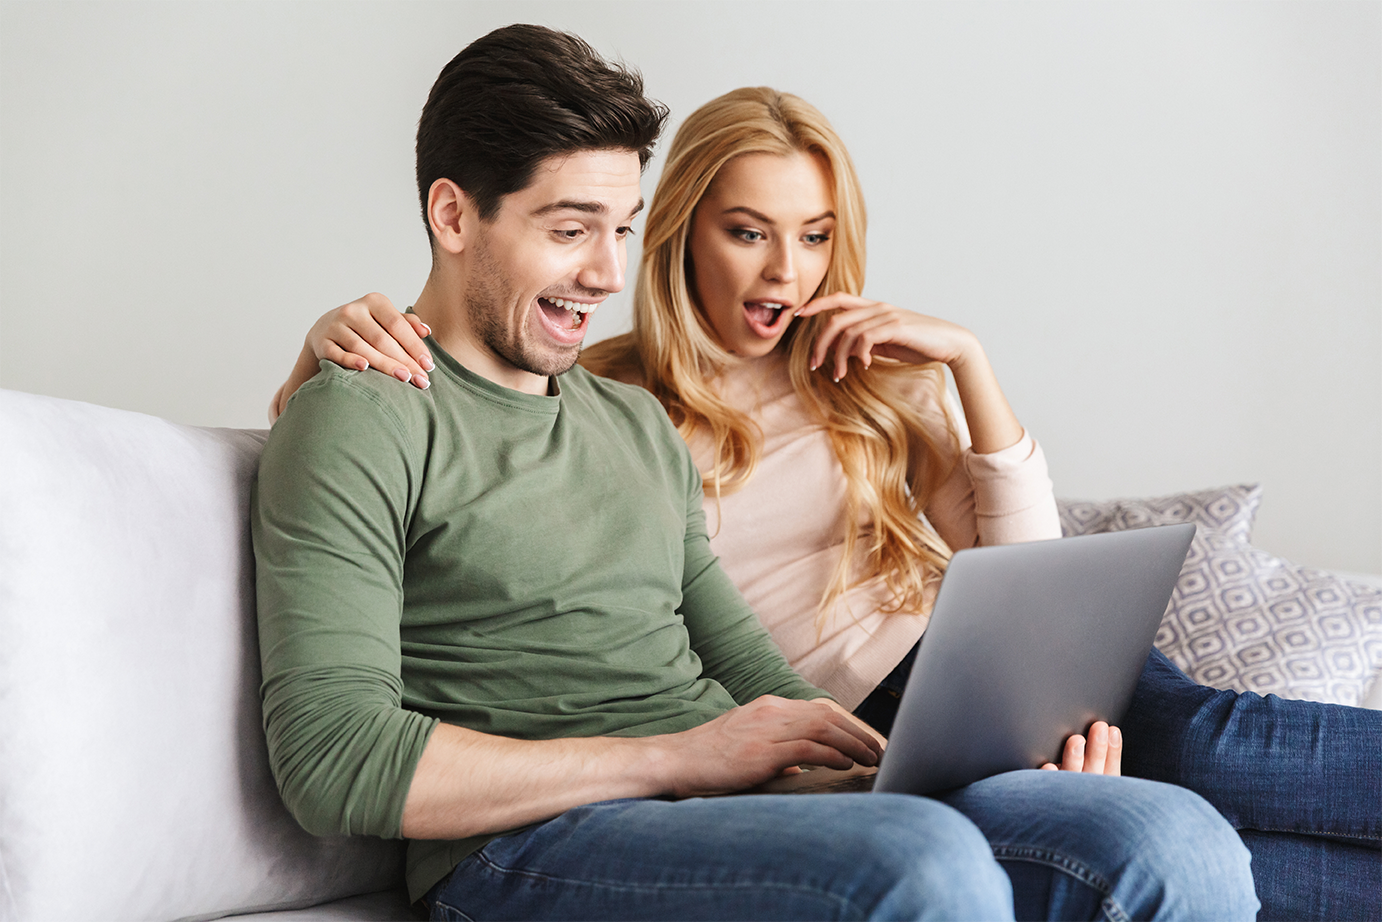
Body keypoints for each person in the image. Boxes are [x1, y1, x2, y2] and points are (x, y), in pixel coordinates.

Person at [255, 25, 1260, 922]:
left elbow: (764, 688)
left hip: (722, 808)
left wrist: (971, 768)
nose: (606, 272)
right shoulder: (362, 413)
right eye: (568, 230)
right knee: (921, 861)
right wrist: (678, 757)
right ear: (452, 214)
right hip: (528, 850)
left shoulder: (632, 423)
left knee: (1160, 834)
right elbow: (334, 760)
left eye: (620, 226)